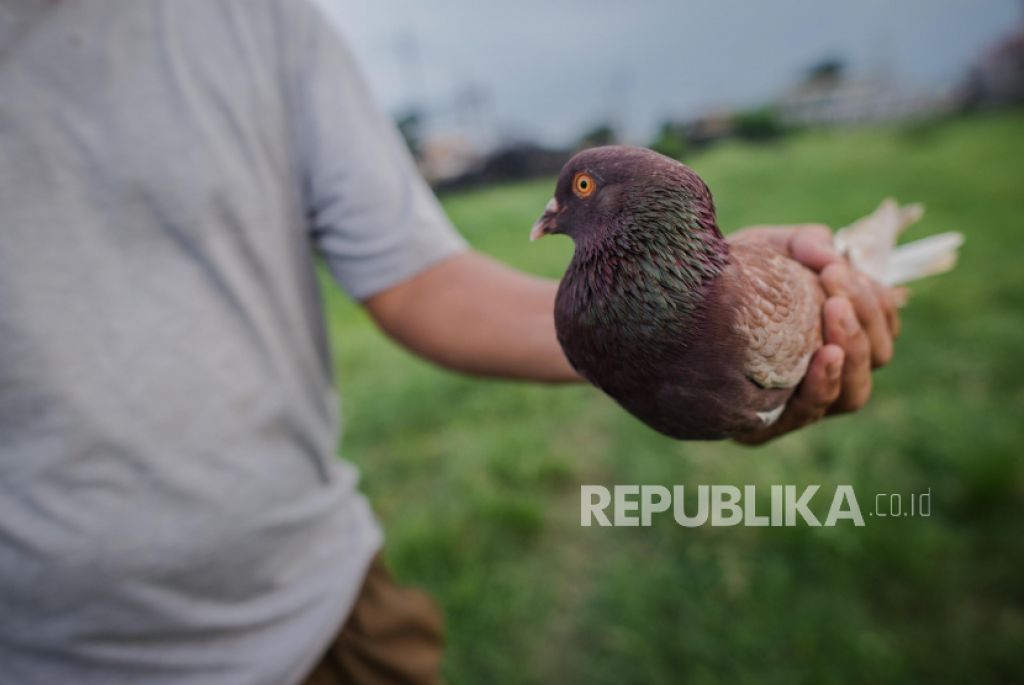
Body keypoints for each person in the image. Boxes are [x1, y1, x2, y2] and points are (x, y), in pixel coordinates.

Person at [0, 1, 897, 684]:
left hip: (316, 612)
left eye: (578, 193)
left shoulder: (252, 19)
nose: (555, 210)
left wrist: (696, 319)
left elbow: (416, 279)